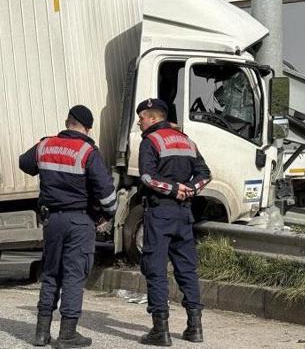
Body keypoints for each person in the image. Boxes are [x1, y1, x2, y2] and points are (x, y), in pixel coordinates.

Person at [19, 105, 117, 348]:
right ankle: (67, 334)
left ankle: (41, 333)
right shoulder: (88, 152)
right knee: (74, 274)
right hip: (80, 221)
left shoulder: (45, 145)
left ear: (67, 122)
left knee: (51, 272)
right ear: (88, 127)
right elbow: (106, 194)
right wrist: (107, 214)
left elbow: (24, 163)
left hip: (52, 220)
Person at [135, 98, 211, 346]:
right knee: (187, 269)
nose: (139, 121)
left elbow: (147, 177)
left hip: (160, 213)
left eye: (142, 117)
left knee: (156, 269)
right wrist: (189, 189)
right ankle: (195, 327)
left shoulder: (151, 141)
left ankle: (161, 330)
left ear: (154, 118)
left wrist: (173, 189)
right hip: (184, 214)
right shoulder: (186, 140)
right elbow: (205, 174)